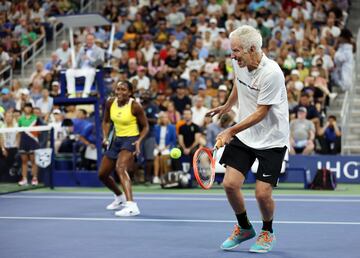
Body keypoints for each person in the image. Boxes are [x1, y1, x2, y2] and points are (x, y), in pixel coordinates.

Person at [206, 25, 289, 253]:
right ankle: (244, 228)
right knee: (230, 185)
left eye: (236, 51)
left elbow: (262, 112)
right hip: (246, 134)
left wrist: (230, 131)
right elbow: (238, 83)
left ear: (252, 48)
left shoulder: (271, 72)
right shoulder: (238, 62)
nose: (232, 56)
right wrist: (228, 105)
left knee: (262, 193)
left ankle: (267, 231)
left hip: (271, 138)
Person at [98, 80, 149, 217]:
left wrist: (139, 141)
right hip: (116, 140)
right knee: (102, 175)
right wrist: (106, 137)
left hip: (131, 140)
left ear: (130, 92)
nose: (120, 92)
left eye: (124, 90)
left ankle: (132, 205)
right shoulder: (110, 103)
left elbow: (145, 126)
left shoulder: (135, 106)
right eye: (118, 89)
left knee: (120, 168)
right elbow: (106, 121)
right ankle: (119, 197)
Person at [65, 34, 104, 98]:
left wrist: (89, 58)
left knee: (91, 72)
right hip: (81, 69)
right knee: (69, 72)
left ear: (94, 40)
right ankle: (71, 94)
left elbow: (100, 62)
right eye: (88, 39)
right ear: (86, 40)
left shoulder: (99, 50)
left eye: (91, 39)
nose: (89, 41)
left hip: (91, 69)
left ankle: (86, 94)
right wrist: (73, 66)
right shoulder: (82, 49)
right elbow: (77, 62)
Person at [17, 103, 43, 186]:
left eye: (29, 107)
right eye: (26, 107)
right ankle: (24, 179)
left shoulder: (35, 118)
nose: (27, 109)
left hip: (33, 141)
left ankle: (34, 178)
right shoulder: (20, 119)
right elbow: (19, 132)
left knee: (33, 161)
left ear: (31, 109)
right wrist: (18, 142)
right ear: (24, 109)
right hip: (23, 141)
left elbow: (40, 130)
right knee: (24, 161)